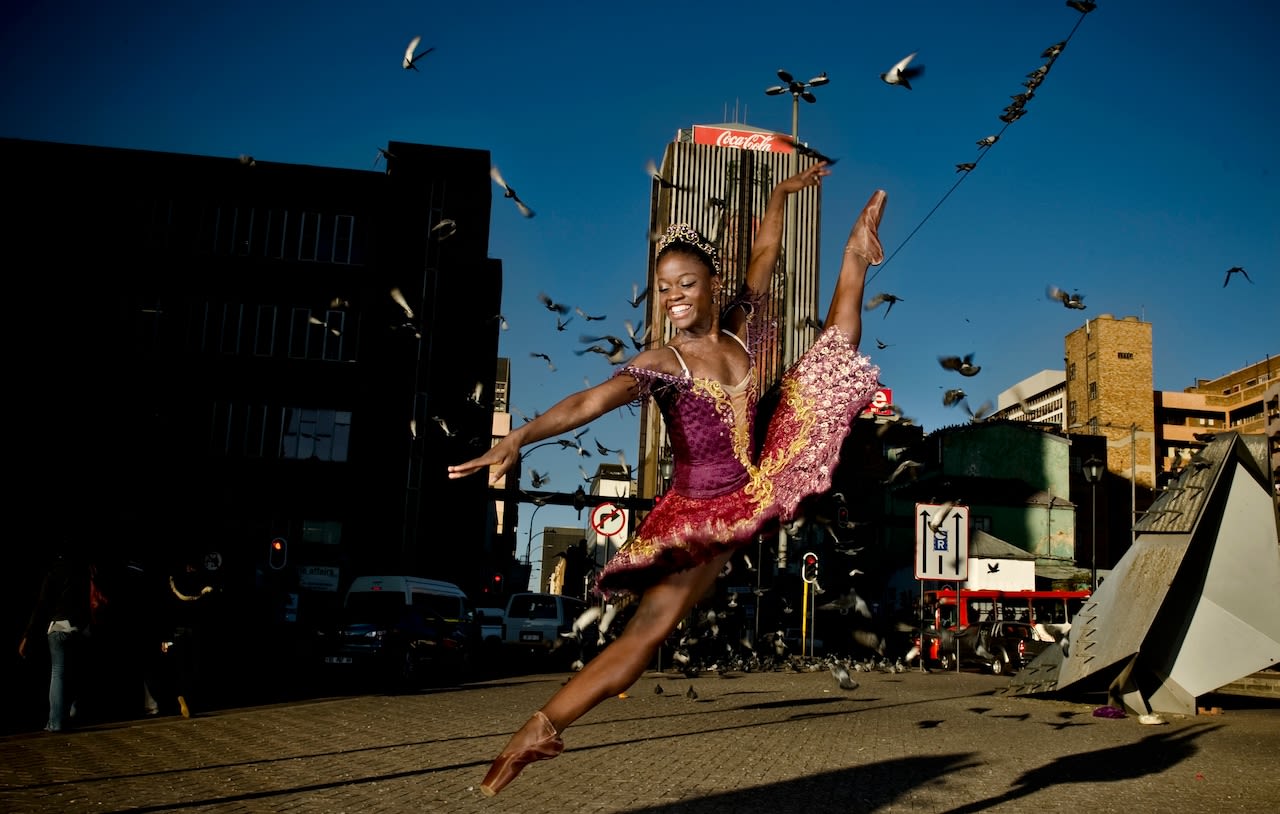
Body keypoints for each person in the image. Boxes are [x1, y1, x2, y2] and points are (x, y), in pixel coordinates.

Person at [448, 163, 887, 796]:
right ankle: (540, 727)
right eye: (662, 287)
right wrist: (517, 436)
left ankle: (854, 255)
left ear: (713, 286)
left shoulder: (744, 328)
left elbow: (764, 251)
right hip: (703, 511)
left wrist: (783, 195)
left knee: (831, 354)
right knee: (649, 633)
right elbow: (588, 403)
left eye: (686, 283)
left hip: (756, 476)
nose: (673, 296)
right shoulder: (664, 362)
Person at [18, 543, 92, 732]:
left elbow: (41, 606)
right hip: (79, 628)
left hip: (58, 627)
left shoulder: (52, 573)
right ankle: (74, 711)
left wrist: (27, 636)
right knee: (76, 671)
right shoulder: (83, 572)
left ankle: (55, 721)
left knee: (58, 673)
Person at [162, 553, 219, 718]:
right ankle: (188, 698)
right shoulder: (202, 584)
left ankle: (181, 695)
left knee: (180, 665)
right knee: (193, 665)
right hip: (194, 629)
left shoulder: (173, 583)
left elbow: (167, 611)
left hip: (178, 631)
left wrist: (165, 638)